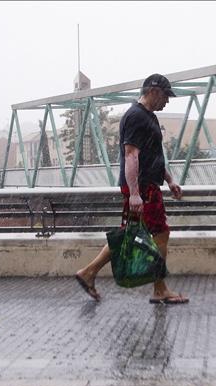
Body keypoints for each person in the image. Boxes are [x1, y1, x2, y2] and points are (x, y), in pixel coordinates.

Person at [75, 73, 189, 304]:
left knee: (130, 234)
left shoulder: (149, 117)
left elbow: (154, 155)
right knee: (160, 233)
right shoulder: (136, 116)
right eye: (166, 96)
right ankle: (159, 290)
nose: (166, 101)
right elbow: (131, 155)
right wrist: (135, 193)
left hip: (147, 185)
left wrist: (169, 180)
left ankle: (88, 272)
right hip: (143, 188)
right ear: (153, 91)